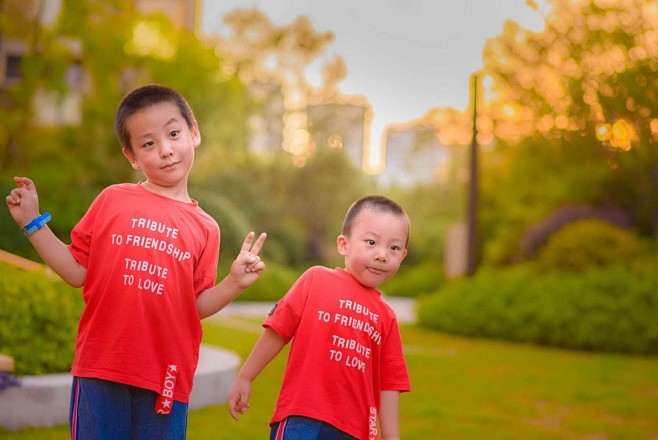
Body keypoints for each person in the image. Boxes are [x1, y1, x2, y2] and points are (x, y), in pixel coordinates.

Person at [5, 84, 267, 439]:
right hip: (101, 367)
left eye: (174, 134)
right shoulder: (113, 200)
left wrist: (234, 283)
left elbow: (195, 306)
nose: (165, 150)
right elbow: (75, 271)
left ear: (194, 133)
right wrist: (32, 223)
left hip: (167, 377)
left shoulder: (207, 227)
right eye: (148, 143)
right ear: (132, 157)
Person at [228, 195, 411, 440]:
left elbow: (389, 385)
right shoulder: (316, 279)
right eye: (371, 242)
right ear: (344, 244)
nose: (382, 255)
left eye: (394, 248)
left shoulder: (387, 317)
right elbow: (278, 329)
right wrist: (246, 376)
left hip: (356, 432)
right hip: (301, 419)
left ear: (403, 256)